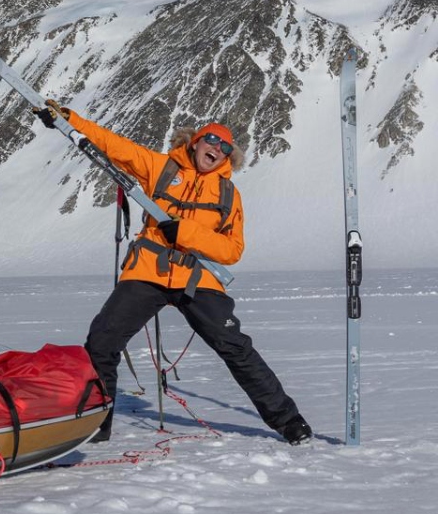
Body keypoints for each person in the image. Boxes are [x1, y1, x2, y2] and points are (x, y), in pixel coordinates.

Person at [35, 100, 312, 445]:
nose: (216, 148)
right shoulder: (161, 167)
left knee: (236, 348)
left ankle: (289, 422)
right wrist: (69, 121)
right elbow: (113, 146)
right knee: (102, 341)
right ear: (195, 141)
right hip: (148, 272)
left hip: (199, 280)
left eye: (225, 147)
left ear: (229, 158)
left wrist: (185, 233)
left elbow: (232, 250)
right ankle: (96, 426)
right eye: (211, 139)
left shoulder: (229, 194)